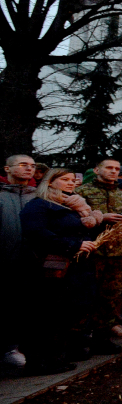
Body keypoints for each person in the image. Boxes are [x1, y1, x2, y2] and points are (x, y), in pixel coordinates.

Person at [19, 168, 102, 374]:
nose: (70, 183)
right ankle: (39, 363)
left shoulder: (69, 206)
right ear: (49, 182)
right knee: (44, 315)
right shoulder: (38, 205)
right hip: (46, 269)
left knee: (61, 314)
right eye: (64, 180)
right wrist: (73, 245)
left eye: (73, 180)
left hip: (70, 269)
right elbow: (36, 233)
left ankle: (54, 359)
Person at [75, 158, 122, 344]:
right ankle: (81, 337)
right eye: (109, 168)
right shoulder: (81, 192)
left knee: (111, 294)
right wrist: (101, 218)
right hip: (91, 251)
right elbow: (73, 219)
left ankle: (103, 336)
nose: (113, 171)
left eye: (116, 169)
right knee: (86, 295)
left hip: (116, 252)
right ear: (96, 169)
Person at [0, 155, 37, 368]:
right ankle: (7, 349)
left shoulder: (39, 196)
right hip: (6, 260)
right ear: (8, 168)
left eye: (32, 166)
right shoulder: (1, 196)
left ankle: (23, 348)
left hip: (33, 261)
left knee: (29, 307)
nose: (29, 169)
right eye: (23, 165)